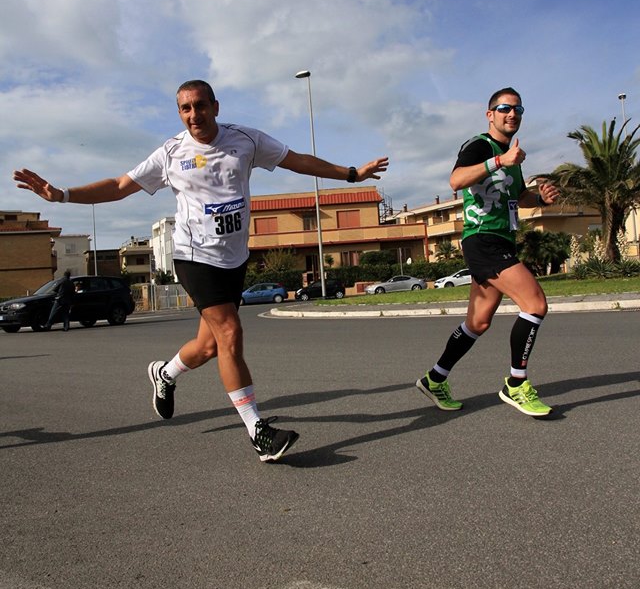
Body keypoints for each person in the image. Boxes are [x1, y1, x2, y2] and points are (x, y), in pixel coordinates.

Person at [14, 79, 389, 461]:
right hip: (193, 256)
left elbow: (297, 160)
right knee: (230, 332)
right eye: (186, 108)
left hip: (233, 259)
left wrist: (351, 173)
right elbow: (120, 185)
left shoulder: (246, 140)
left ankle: (165, 374)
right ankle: (258, 431)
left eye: (200, 106)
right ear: (180, 113)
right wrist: (61, 194)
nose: (194, 115)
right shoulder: (171, 153)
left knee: (209, 346)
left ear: (216, 106)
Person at [416, 87, 560, 418]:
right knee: (535, 304)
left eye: (518, 109)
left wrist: (540, 200)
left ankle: (435, 378)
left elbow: (518, 196)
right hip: (483, 239)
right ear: (490, 114)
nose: (512, 114)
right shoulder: (480, 146)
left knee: (478, 323)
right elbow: (456, 180)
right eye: (505, 108)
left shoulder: (513, 156)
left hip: (501, 239)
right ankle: (516, 384)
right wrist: (498, 160)